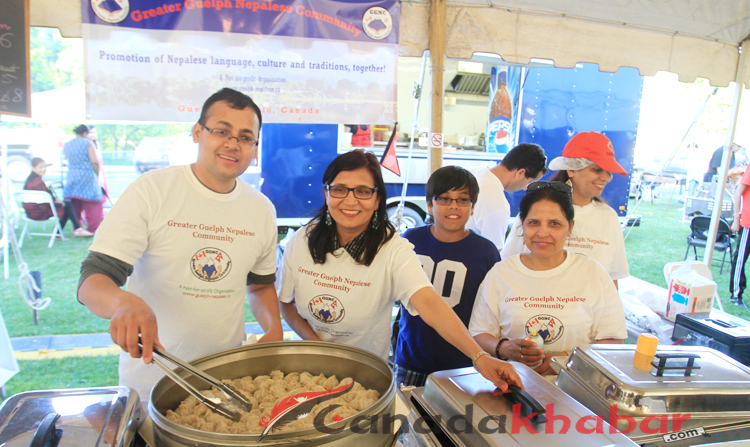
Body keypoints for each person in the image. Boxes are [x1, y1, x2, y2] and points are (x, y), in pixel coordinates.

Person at [77, 88, 283, 404]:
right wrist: (123, 303)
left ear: (255, 148)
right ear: (198, 133)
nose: (232, 143)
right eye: (221, 131)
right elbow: (94, 279)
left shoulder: (262, 209)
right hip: (153, 380)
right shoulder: (152, 191)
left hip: (226, 383)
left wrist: (273, 328)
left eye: (245, 137)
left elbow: (259, 286)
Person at [279, 150, 522, 392]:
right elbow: (285, 301)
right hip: (308, 369)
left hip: (365, 375)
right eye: (340, 189)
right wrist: (315, 344)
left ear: (377, 199)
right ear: (326, 193)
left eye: (363, 191)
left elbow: (428, 302)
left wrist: (479, 357)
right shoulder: (302, 240)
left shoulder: (394, 248)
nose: (350, 201)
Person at [470, 181, 627, 375]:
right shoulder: (501, 273)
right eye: (534, 222)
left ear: (570, 228)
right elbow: (479, 333)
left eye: (555, 224)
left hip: (576, 391)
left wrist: (562, 360)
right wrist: (504, 348)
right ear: (522, 226)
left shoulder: (593, 274)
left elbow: (612, 340)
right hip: (513, 389)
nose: (542, 233)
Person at [393, 166, 501, 387]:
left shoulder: (486, 251)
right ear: (430, 205)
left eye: (463, 200)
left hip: (464, 364)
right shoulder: (409, 241)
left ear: (473, 208)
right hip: (411, 361)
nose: (453, 206)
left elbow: (491, 312)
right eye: (444, 198)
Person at [501, 132, 629, 286]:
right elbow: (509, 264)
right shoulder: (536, 210)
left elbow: (612, 278)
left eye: (609, 171)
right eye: (597, 169)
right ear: (571, 169)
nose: (606, 177)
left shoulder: (608, 217)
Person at [465, 143, 548, 251]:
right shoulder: (497, 204)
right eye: (529, 182)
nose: (524, 188)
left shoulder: (474, 172)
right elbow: (493, 254)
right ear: (520, 173)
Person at [22, 157, 92, 237]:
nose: (43, 169)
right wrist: (58, 203)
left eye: (44, 167)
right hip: (38, 212)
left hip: (30, 212)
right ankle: (76, 229)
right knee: (67, 206)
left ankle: (61, 233)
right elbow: (46, 199)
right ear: (33, 168)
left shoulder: (30, 180)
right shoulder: (37, 182)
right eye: (40, 167)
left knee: (66, 206)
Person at [63, 124, 104, 234]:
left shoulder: (67, 145)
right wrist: (96, 173)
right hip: (87, 175)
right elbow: (94, 161)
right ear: (85, 133)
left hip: (72, 175)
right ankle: (92, 229)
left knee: (75, 203)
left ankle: (77, 228)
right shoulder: (88, 143)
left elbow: (67, 159)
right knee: (93, 204)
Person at [730, 165, 750, 308]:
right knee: (740, 259)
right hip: (748, 223)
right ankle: (736, 295)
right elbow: (738, 193)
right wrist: (737, 219)